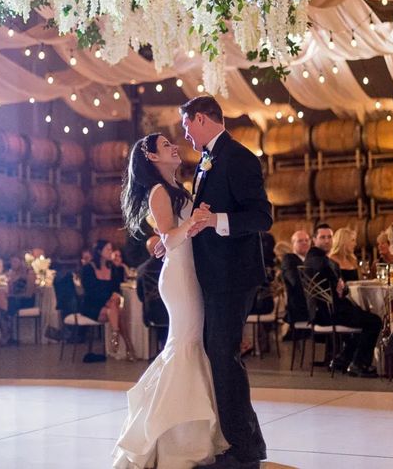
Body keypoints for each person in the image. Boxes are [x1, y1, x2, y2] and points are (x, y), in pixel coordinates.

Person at [113, 132, 228, 469]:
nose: (174, 147)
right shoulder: (159, 192)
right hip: (180, 278)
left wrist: (196, 219)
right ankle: (172, 439)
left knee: (188, 347)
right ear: (150, 157)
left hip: (189, 272)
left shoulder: (176, 189)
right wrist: (192, 221)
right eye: (165, 145)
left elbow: (178, 235)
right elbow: (169, 236)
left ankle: (180, 433)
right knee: (184, 347)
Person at [180, 96, 272, 469]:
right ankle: (245, 441)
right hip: (215, 276)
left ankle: (243, 450)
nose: (185, 133)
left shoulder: (238, 157)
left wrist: (215, 219)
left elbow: (261, 217)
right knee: (220, 357)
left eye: (187, 125)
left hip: (234, 275)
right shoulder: (207, 159)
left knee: (224, 357)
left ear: (201, 118)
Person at [304, 223, 382, 378]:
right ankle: (359, 364)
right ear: (314, 240)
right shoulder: (321, 260)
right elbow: (340, 290)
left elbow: (340, 287)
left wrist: (341, 286)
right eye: (322, 237)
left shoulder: (313, 259)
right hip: (330, 313)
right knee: (374, 321)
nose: (327, 241)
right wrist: (341, 285)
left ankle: (343, 359)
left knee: (365, 318)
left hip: (322, 312)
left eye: (329, 237)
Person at [81, 240, 135, 361]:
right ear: (100, 252)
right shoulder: (88, 269)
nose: (111, 252)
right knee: (118, 312)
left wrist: (115, 295)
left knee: (114, 309)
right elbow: (90, 292)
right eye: (108, 249)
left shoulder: (112, 268)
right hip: (92, 306)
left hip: (109, 307)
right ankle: (128, 347)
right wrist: (107, 300)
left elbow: (116, 288)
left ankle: (115, 335)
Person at [136, 235, 169, 347]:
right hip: (171, 311)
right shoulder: (170, 266)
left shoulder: (142, 269)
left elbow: (140, 296)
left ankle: (159, 348)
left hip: (151, 313)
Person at [281, 229, 311, 327]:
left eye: (307, 240)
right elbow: (296, 283)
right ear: (292, 244)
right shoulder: (289, 259)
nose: (304, 243)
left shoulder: (311, 260)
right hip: (300, 308)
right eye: (300, 241)